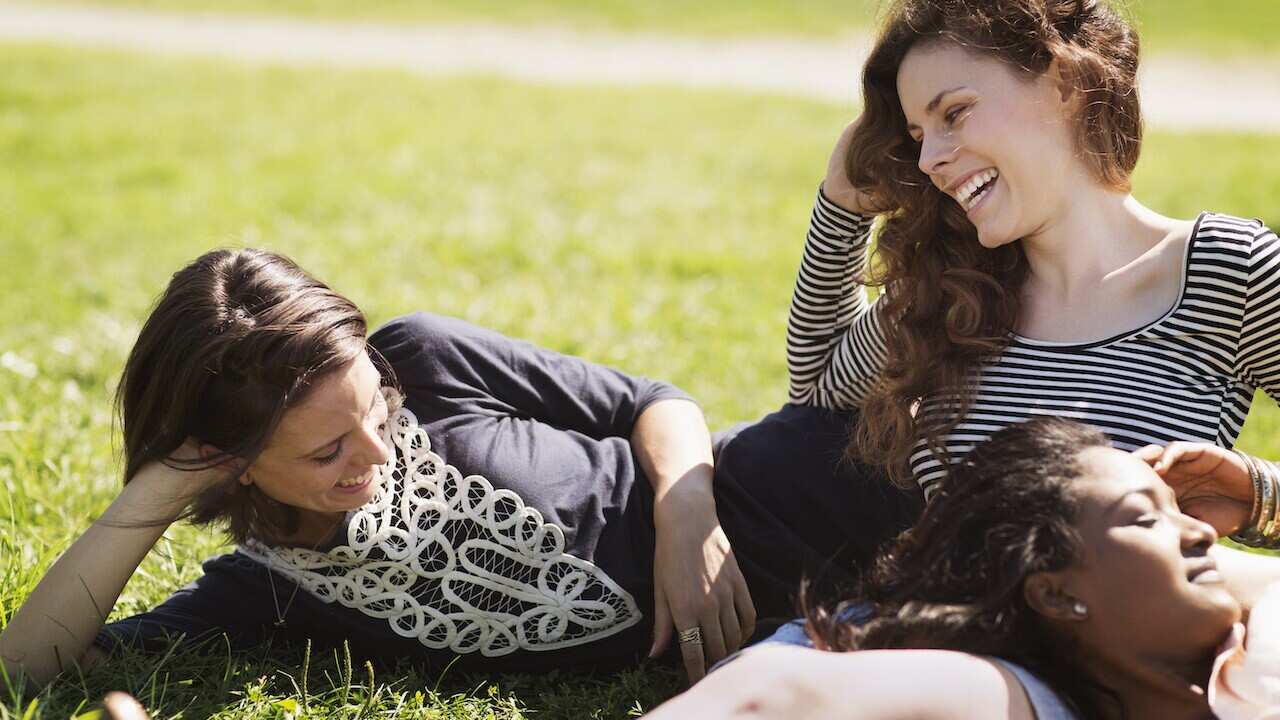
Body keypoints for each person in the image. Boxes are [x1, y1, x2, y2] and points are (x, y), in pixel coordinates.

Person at [0, 248, 919, 691]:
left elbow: (654, 399)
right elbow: (27, 665)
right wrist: (153, 496)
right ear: (232, 469)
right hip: (806, 628)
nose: (376, 449)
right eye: (327, 452)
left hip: (793, 487)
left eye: (375, 411)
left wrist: (688, 517)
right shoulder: (269, 592)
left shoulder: (426, 360)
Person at [785, 0, 1280, 556]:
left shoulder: (1226, 270)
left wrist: (1259, 496)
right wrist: (840, 208)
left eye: (954, 113)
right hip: (940, 633)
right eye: (918, 135)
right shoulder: (961, 289)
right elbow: (818, 389)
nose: (928, 160)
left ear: (1063, 82)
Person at [648, 417, 1280, 719]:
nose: (1202, 532)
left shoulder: (1258, 633)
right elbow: (772, 697)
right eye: (1147, 518)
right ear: (1055, 594)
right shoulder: (1013, 699)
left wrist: (1264, 500)